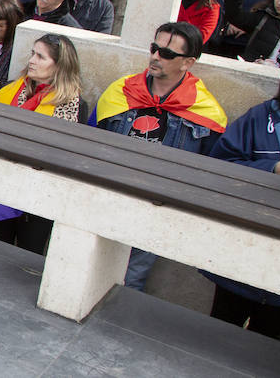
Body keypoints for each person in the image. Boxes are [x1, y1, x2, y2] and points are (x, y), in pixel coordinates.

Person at [93, 21, 225, 291]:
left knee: (130, 283)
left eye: (166, 53)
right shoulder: (122, 90)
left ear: (187, 63)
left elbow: (210, 171)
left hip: (156, 209)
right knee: (88, 267)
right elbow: (94, 141)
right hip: (110, 197)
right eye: (155, 48)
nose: (155, 56)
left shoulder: (206, 110)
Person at [205, 53, 280, 339]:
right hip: (247, 246)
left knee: (267, 342)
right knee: (221, 330)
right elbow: (221, 166)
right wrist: (273, 169)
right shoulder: (261, 117)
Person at [0, 33, 84, 254]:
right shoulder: (10, 91)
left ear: (59, 66)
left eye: (41, 57)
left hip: (41, 192)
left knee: (29, 254)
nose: (32, 61)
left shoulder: (74, 105)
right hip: (4, 184)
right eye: (32, 54)